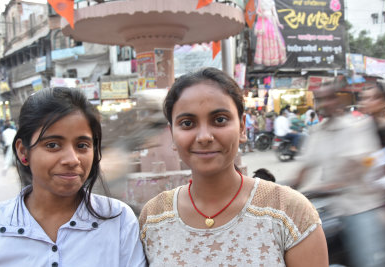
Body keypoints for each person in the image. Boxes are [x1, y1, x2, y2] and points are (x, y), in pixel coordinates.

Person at [139, 67, 328, 266]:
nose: (204, 137)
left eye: (220, 120)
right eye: (187, 123)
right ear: (172, 135)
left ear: (242, 127)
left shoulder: (289, 212)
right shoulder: (154, 218)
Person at [0, 87, 147, 266]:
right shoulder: (2, 225)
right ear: (23, 152)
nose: (72, 160)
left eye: (82, 145)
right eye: (53, 145)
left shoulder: (118, 220)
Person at [291, 83, 385, 267]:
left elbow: (362, 172)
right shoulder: (317, 133)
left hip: (362, 206)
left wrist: (318, 190)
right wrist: (279, 193)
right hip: (333, 206)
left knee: (370, 262)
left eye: (328, 98)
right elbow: (304, 170)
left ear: (337, 100)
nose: (324, 104)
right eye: (319, 100)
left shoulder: (358, 128)